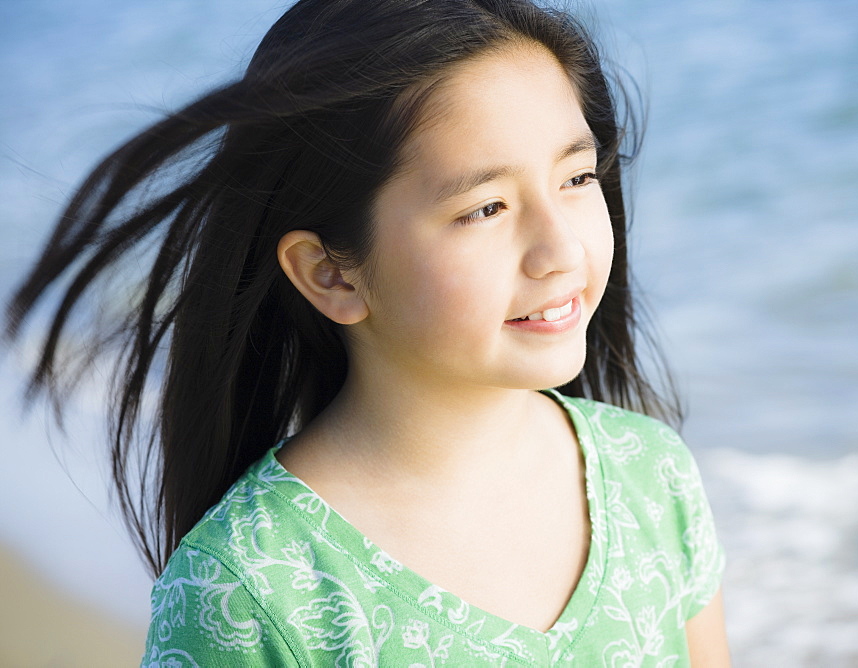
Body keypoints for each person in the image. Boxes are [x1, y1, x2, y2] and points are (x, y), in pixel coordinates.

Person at [6, 0, 729, 664]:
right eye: (486, 208)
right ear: (331, 275)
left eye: (576, 178)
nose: (562, 250)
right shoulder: (254, 590)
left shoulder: (649, 476)